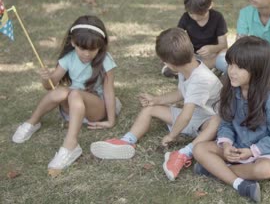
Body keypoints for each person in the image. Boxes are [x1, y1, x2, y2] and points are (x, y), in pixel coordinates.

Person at [91, 27, 222, 181]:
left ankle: (183, 153)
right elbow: (181, 93)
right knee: (150, 109)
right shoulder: (188, 66)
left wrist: (172, 136)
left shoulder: (201, 79)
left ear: (170, 64)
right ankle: (127, 141)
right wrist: (156, 100)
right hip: (193, 117)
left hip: (206, 125)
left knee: (217, 122)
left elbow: (186, 116)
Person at [193, 36, 270, 203]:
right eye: (231, 64)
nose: (232, 71)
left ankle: (216, 170)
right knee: (199, 149)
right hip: (237, 147)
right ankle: (240, 184)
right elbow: (226, 123)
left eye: (240, 67)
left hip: (264, 152)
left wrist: (252, 151)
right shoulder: (232, 91)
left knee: (265, 170)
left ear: (257, 71)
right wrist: (226, 145)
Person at [12, 15, 121, 172]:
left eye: (93, 49)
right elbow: (50, 86)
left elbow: (109, 91)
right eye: (82, 48)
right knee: (60, 92)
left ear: (101, 46)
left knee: (74, 93)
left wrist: (111, 120)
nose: (87, 54)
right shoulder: (68, 58)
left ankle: (71, 145)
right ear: (73, 42)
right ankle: (32, 122)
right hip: (72, 108)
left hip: (95, 109)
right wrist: (46, 78)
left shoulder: (105, 60)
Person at [162, 0, 227, 77]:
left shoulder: (217, 18)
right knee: (179, 57)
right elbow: (177, 39)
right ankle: (205, 70)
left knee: (224, 55)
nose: (195, 18)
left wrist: (212, 48)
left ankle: (193, 70)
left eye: (200, 15)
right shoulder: (185, 18)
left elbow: (224, 45)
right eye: (191, 14)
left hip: (212, 55)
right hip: (193, 56)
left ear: (210, 5)